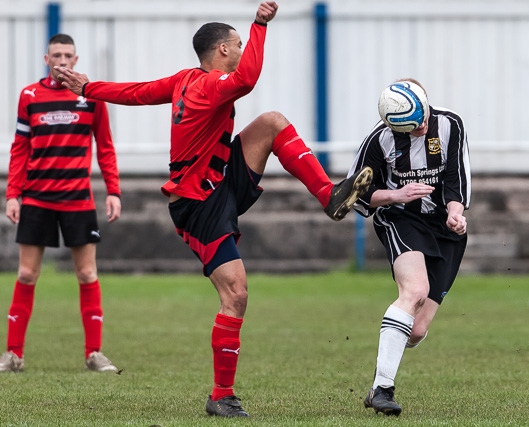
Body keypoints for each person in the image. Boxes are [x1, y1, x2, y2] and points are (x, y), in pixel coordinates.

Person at [55, 1, 373, 418]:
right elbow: (249, 77)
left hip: (218, 181)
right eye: (238, 44)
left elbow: (135, 92)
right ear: (222, 50)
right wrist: (260, 25)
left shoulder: (186, 79)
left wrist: (89, 87)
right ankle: (221, 395)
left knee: (273, 123)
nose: (242, 49)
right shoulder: (212, 85)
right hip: (197, 204)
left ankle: (329, 196)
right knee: (236, 293)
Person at [347, 78, 471, 416]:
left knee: (415, 331)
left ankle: (379, 378)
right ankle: (383, 389)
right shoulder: (379, 140)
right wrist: (396, 195)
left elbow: (456, 179)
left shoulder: (449, 124)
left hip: (445, 228)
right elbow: (356, 196)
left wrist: (456, 214)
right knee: (415, 291)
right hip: (400, 218)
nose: (420, 129)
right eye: (411, 128)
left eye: (422, 122)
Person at [1, 34, 122, 374]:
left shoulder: (92, 97)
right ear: (46, 58)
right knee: (26, 274)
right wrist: (13, 194)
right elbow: (20, 148)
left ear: (77, 59)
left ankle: (94, 353)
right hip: (37, 198)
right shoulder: (29, 96)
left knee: (86, 273)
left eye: (68, 55)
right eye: (57, 55)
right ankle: (13, 355)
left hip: (78, 199)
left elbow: (106, 146)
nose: (63, 61)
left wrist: (113, 190)